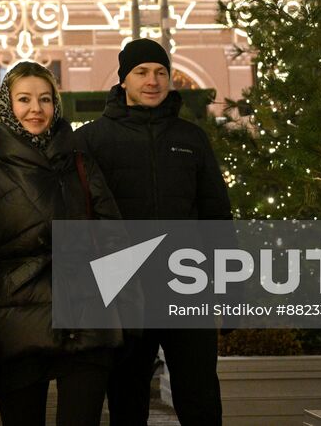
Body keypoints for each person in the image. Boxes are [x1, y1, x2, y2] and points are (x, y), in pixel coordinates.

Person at [0, 61, 123, 426]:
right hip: (17, 328)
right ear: (6, 106)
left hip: (85, 321)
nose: (36, 109)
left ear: (56, 105)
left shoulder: (81, 166)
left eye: (45, 99)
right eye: (24, 99)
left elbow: (115, 242)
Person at [74, 38, 231, 426]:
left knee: (200, 397)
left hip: (186, 285)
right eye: (141, 72)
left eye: (161, 72)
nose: (153, 80)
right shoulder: (90, 141)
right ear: (123, 79)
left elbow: (216, 214)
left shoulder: (191, 139)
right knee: (127, 399)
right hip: (124, 291)